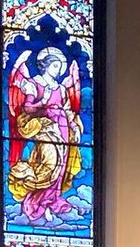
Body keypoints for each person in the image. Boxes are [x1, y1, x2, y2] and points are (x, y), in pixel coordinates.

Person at [7, 46, 83, 224]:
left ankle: (52, 201)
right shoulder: (34, 84)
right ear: (46, 65)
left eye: (60, 67)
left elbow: (67, 110)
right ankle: (35, 203)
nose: (58, 71)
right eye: (55, 66)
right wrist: (43, 102)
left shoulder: (61, 89)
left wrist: (74, 126)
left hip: (62, 129)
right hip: (45, 130)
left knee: (61, 167)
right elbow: (27, 108)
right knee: (49, 163)